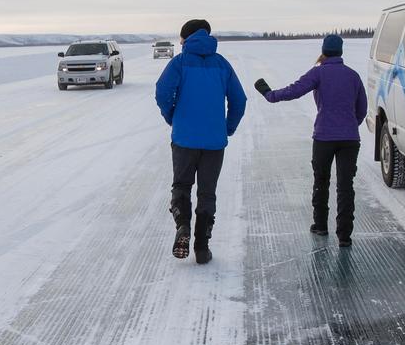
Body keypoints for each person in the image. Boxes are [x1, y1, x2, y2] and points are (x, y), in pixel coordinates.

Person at [254, 33, 368, 247]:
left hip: (324, 137)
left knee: (321, 181)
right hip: (349, 139)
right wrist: (349, 125)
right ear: (341, 52)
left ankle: (321, 225)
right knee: (346, 186)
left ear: (324, 51)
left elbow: (294, 90)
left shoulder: (319, 73)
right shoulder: (353, 75)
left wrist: (269, 94)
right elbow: (362, 108)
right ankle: (344, 235)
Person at [154, 18, 248, 264]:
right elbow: (240, 100)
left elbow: (162, 92)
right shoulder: (222, 64)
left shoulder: (180, 62)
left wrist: (172, 116)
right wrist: (227, 127)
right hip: (214, 142)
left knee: (182, 185)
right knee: (207, 193)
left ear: (185, 38)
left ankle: (182, 226)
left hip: (184, 138)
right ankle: (202, 247)